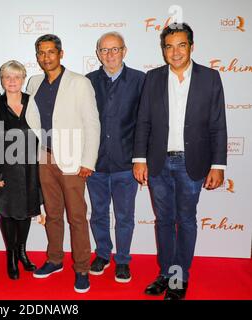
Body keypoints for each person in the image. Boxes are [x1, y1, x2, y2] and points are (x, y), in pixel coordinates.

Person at [133, 23, 227, 300]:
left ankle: (179, 277)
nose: (175, 52)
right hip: (158, 161)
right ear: (163, 50)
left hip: (193, 162)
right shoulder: (153, 78)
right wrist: (139, 159)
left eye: (181, 45)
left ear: (191, 46)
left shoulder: (210, 78)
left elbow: (218, 125)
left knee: (185, 220)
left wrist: (218, 165)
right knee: (163, 220)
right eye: (169, 46)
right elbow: (143, 122)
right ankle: (166, 273)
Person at [27, 34, 100, 293]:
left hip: (72, 159)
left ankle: (81, 268)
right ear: (37, 56)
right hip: (44, 156)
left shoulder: (79, 83)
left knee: (77, 217)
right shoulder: (33, 82)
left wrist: (88, 160)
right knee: (53, 214)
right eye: (41, 53)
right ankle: (55, 259)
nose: (46, 57)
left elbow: (92, 123)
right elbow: (23, 113)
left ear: (61, 54)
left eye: (50, 52)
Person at [85, 32, 145, 283]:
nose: (109, 55)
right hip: (95, 163)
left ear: (124, 50)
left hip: (126, 163)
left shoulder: (141, 81)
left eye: (115, 49)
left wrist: (142, 159)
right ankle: (102, 254)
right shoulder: (87, 81)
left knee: (124, 217)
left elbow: (146, 122)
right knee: (98, 213)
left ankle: (122, 260)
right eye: (104, 50)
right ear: (98, 53)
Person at [0, 60, 42, 280]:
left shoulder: (32, 102)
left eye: (17, 77)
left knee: (25, 213)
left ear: (23, 79)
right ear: (2, 80)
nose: (12, 81)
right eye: (8, 77)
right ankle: (10, 256)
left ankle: (22, 252)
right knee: (8, 213)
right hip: (5, 172)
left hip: (31, 170)